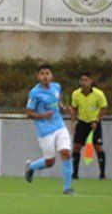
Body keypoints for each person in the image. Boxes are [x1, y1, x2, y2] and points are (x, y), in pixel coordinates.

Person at [24, 65, 74, 194]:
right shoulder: (35, 93)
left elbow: (56, 101)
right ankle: (31, 167)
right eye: (42, 73)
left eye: (47, 73)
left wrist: (64, 108)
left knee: (66, 153)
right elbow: (29, 112)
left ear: (51, 75)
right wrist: (43, 115)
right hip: (45, 130)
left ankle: (67, 188)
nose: (45, 76)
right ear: (38, 76)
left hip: (59, 126)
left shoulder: (56, 86)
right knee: (50, 162)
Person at [70, 73, 108, 180]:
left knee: (98, 147)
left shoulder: (98, 94)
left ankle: (102, 174)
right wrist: (73, 122)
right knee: (76, 147)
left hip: (94, 123)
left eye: (86, 80)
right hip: (82, 123)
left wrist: (96, 120)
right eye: (82, 80)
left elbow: (104, 108)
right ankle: (75, 174)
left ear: (91, 81)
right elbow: (75, 109)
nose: (84, 82)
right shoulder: (76, 94)